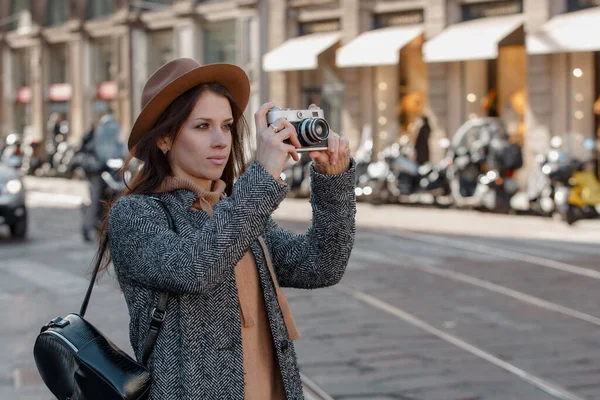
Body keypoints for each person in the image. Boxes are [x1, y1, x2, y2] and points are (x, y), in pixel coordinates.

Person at [102, 58, 356, 399]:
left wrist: (332, 178)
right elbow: (194, 268)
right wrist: (263, 175)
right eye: (203, 126)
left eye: (227, 125)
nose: (221, 140)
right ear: (164, 138)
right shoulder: (136, 214)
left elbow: (319, 265)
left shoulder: (233, 209)